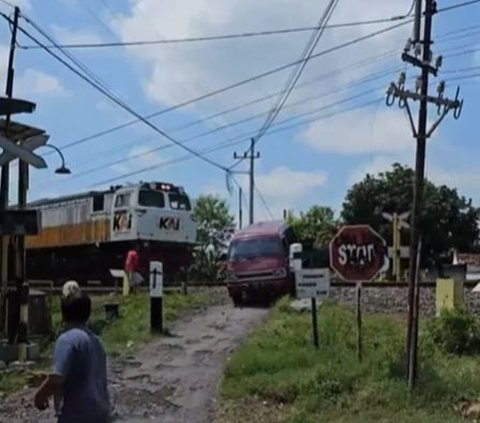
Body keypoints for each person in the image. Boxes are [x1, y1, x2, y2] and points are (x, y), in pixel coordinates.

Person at [34, 290, 111, 423]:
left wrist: (39, 396)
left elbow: (57, 378)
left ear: (63, 315)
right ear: (88, 315)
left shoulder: (66, 340)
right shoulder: (96, 341)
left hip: (77, 416)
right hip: (101, 414)